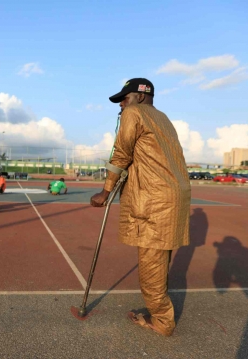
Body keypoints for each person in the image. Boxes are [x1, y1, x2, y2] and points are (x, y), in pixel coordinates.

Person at [90, 78, 191, 337]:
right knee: (159, 258)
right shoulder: (163, 118)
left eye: (125, 98)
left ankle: (162, 321)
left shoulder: (134, 113)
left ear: (141, 96)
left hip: (153, 199)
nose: (122, 104)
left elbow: (122, 152)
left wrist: (105, 190)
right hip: (171, 196)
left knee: (150, 263)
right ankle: (161, 312)